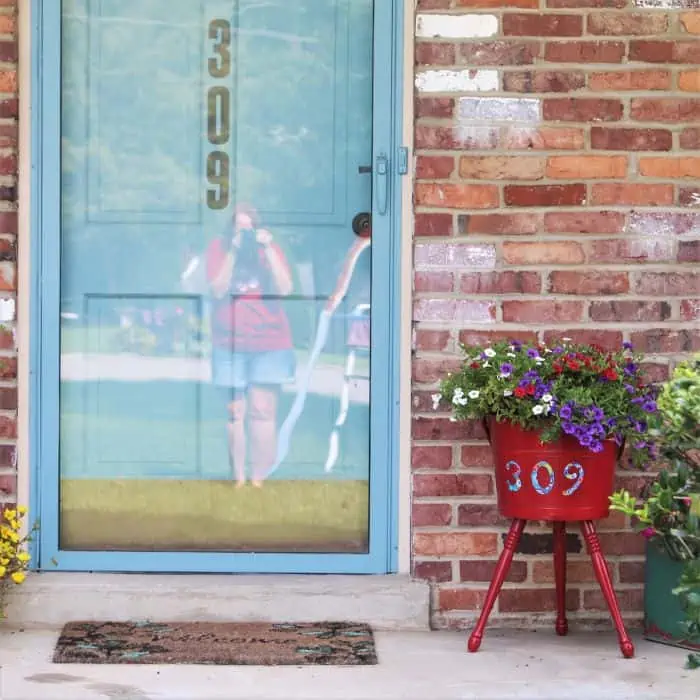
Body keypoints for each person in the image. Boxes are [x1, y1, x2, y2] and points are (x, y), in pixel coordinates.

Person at [206, 204, 295, 487]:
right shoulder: (219, 249)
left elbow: (285, 288)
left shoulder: (269, 251)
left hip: (269, 342)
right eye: (238, 228)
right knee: (235, 413)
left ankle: (259, 480)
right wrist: (233, 251)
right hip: (229, 343)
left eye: (249, 228)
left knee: (262, 411)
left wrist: (267, 248)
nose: (244, 234)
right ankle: (239, 479)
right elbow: (217, 288)